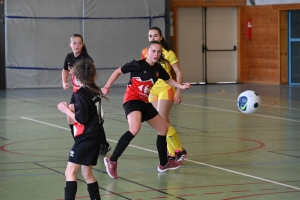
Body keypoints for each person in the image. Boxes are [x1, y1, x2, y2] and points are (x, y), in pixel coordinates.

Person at [101, 40, 191, 179]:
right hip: (132, 100)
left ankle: (163, 164)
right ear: (147, 52)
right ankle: (112, 160)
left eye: (159, 51)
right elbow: (118, 71)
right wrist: (107, 86)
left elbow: (168, 80)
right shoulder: (137, 64)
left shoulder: (158, 68)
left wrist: (181, 86)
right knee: (135, 128)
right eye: (153, 51)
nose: (156, 54)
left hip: (145, 102)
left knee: (163, 129)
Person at [58, 60, 104, 200]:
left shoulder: (81, 94)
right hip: (96, 136)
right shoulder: (95, 90)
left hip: (86, 137)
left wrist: (66, 110)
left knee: (70, 172)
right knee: (87, 173)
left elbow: (81, 119)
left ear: (77, 77)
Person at [141, 27, 187, 162]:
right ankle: (172, 153)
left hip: (166, 88)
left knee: (161, 120)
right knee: (163, 122)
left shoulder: (168, 53)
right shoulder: (145, 52)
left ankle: (179, 149)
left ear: (160, 37)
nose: (153, 38)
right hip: (152, 90)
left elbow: (178, 72)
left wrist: (179, 90)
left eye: (155, 36)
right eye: (150, 36)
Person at [62, 34, 111, 155]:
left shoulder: (86, 59)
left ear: (82, 45)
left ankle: (103, 143)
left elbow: (91, 76)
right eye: (74, 43)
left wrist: (76, 73)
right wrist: (64, 82)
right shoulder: (69, 57)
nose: (77, 45)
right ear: (70, 45)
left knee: (94, 119)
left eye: (79, 43)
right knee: (70, 117)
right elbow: (64, 70)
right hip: (76, 92)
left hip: (87, 91)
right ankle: (78, 143)